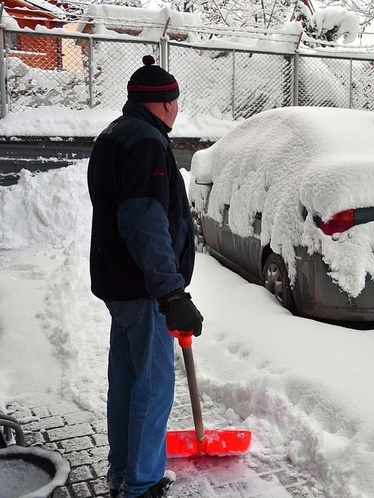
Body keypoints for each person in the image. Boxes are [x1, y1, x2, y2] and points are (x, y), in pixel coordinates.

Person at [87, 55, 204, 498]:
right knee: (153, 387)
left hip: (119, 283)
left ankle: (123, 471)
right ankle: (141, 484)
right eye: (175, 101)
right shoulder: (147, 144)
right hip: (143, 289)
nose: (177, 109)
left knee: (128, 380)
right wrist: (172, 292)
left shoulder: (114, 134)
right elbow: (144, 219)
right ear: (165, 103)